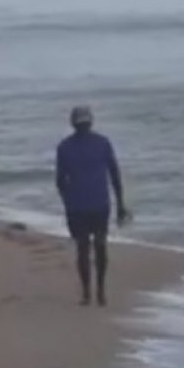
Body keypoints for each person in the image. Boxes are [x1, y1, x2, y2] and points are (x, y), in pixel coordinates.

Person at [55, 105, 130, 307]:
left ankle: (88, 293)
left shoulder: (64, 147)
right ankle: (100, 292)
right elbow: (115, 175)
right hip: (99, 203)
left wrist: (67, 203)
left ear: (73, 123)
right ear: (91, 122)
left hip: (78, 206)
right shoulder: (103, 143)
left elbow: (60, 181)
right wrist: (121, 204)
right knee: (99, 245)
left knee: (83, 248)